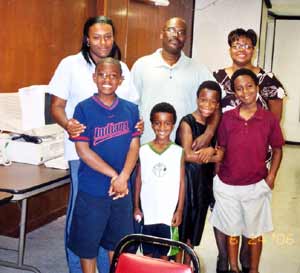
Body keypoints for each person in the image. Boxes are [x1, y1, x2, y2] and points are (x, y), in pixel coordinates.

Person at [48, 16, 140, 273]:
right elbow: (56, 107)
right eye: (96, 37)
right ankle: (78, 269)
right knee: (84, 221)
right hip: (84, 156)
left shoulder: (123, 68)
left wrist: (139, 126)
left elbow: (132, 108)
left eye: (108, 36)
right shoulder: (70, 65)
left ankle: (107, 267)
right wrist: (69, 125)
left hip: (119, 156)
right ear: (87, 39)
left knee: (113, 219)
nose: (103, 42)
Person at [212, 28, 286, 273]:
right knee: (226, 218)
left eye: (246, 45)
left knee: (251, 223)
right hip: (225, 162)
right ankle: (226, 262)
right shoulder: (217, 77)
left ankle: (247, 265)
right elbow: (209, 113)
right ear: (229, 48)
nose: (241, 49)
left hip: (255, 166)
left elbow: (273, 126)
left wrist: (271, 175)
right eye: (236, 44)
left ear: (254, 48)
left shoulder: (267, 79)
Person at [67, 57, 140, 273]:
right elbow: (83, 151)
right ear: (94, 77)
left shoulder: (131, 109)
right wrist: (115, 176)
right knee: (87, 246)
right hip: (93, 190)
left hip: (121, 191)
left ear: (121, 80)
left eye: (113, 76)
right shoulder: (83, 109)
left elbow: (134, 147)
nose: (107, 79)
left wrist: (124, 177)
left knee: (117, 244)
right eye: (102, 75)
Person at [131, 17, 217, 146]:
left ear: (185, 38)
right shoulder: (142, 65)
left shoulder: (199, 69)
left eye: (181, 32)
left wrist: (208, 134)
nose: (176, 35)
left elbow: (217, 103)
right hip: (147, 145)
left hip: (185, 148)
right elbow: (130, 104)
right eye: (171, 30)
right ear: (162, 34)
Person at [175, 81, 222, 265]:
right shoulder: (187, 122)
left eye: (212, 102)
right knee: (182, 229)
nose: (207, 106)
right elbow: (186, 155)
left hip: (203, 185)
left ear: (218, 104)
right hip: (186, 184)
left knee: (194, 232)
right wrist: (212, 156)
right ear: (197, 99)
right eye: (203, 100)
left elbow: (221, 151)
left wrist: (211, 151)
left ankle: (187, 266)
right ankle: (176, 266)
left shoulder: (214, 126)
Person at [134, 102, 185, 260]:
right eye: (157, 123)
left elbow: (182, 182)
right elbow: (138, 180)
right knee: (148, 256)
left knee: (165, 256)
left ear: (173, 125)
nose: (162, 127)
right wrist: (136, 206)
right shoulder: (143, 150)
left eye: (167, 123)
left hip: (167, 214)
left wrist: (179, 210)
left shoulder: (178, 151)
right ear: (151, 124)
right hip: (148, 213)